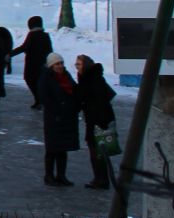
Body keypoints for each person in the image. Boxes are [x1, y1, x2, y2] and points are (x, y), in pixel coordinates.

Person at [38, 53, 80, 186]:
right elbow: (45, 98)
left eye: (61, 63)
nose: (60, 66)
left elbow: (75, 91)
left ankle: (61, 175)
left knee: (63, 148)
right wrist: (57, 111)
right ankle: (49, 175)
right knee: (52, 149)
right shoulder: (46, 78)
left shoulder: (66, 76)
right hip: (54, 118)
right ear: (51, 65)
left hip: (67, 118)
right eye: (57, 64)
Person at [76, 54, 117, 190]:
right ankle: (99, 178)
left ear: (86, 65)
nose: (77, 67)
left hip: (98, 120)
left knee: (98, 151)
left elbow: (100, 100)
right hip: (94, 119)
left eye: (79, 64)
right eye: (76, 64)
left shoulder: (93, 78)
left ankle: (102, 179)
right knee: (96, 150)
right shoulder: (87, 77)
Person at [8, 16, 54, 109]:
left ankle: (39, 100)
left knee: (30, 79)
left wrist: (10, 54)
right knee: (39, 82)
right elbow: (49, 50)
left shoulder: (32, 35)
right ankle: (40, 100)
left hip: (32, 63)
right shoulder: (45, 35)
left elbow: (24, 47)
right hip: (42, 63)